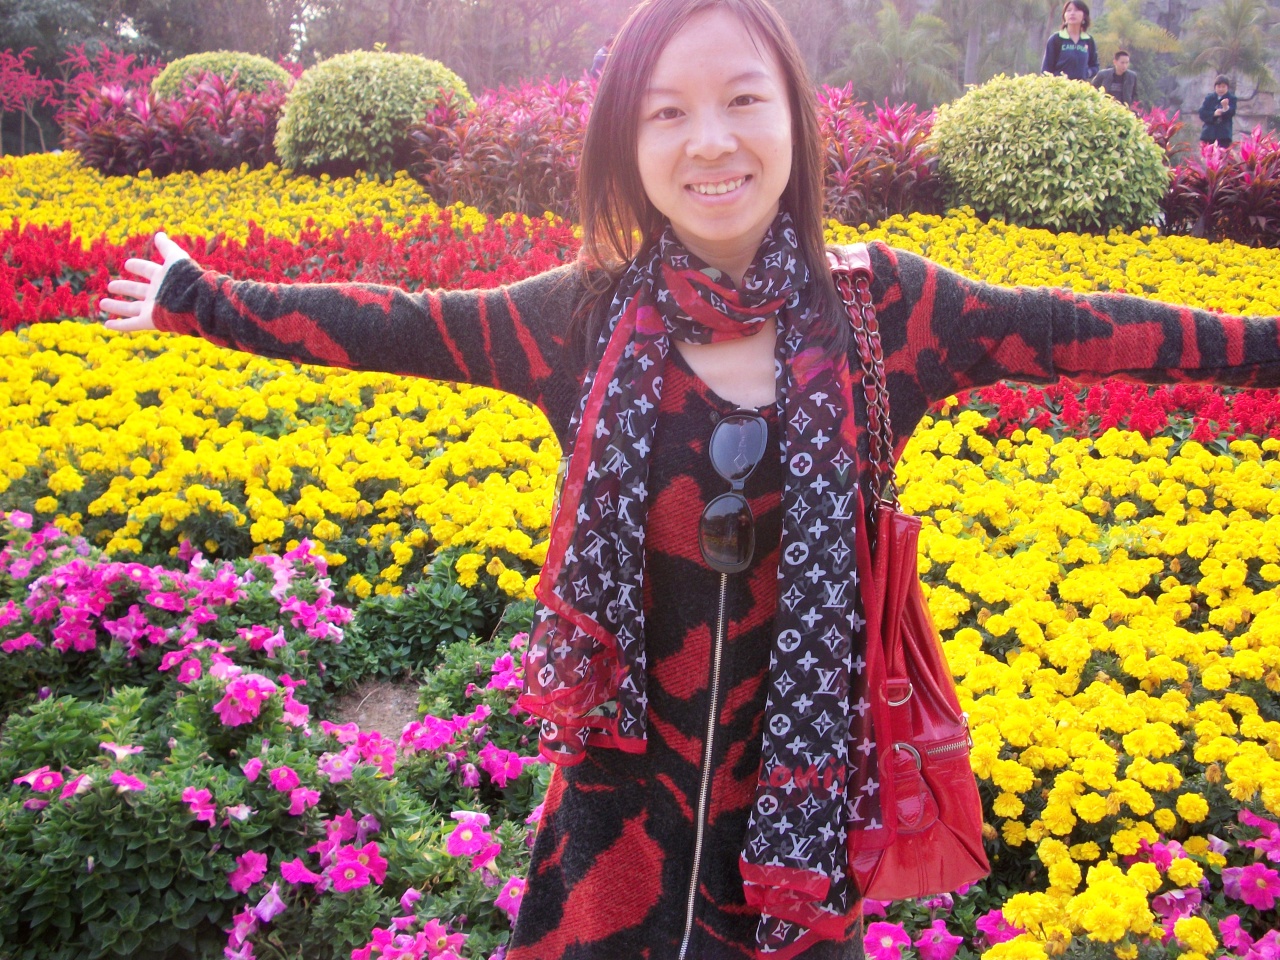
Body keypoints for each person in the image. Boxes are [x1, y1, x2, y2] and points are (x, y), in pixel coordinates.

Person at [102, 0, 1280, 956]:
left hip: (799, 821)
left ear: (793, 121)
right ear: (627, 144)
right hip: (613, 824)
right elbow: (404, 323)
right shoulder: (582, 317)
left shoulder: (887, 310)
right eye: (665, 112)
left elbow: (1090, 329)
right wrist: (197, 299)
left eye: (740, 100)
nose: (708, 140)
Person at [1041, 0, 1099, 81]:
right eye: (1069, 10)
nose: (1072, 13)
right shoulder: (1056, 39)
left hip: (1080, 87)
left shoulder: (1088, 41)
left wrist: (1087, 73)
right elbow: (1046, 70)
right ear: (1064, 16)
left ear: (1084, 16)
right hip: (1059, 87)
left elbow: (1095, 66)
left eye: (1076, 10)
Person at [1199, 74, 1237, 148]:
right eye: (1219, 87)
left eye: (1223, 87)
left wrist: (1226, 108)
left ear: (1227, 87)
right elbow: (1202, 113)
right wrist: (1213, 114)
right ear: (1215, 87)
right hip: (1208, 135)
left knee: (1222, 154)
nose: (1221, 89)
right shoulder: (1209, 98)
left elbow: (1232, 112)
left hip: (1224, 136)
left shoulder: (1231, 98)